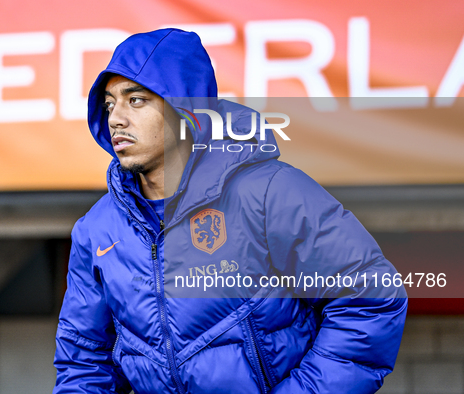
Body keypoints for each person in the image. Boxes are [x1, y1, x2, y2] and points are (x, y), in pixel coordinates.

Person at [53, 28, 407, 393]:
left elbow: (369, 298)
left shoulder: (269, 192)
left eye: (137, 100)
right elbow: (82, 358)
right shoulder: (97, 229)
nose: (116, 119)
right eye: (110, 104)